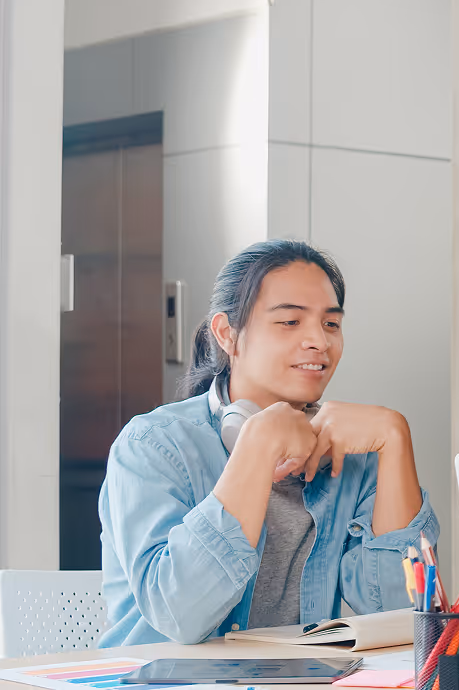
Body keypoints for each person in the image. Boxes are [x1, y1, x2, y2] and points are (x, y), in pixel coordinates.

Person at [99, 240, 439, 646]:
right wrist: (257, 446)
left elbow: (408, 620)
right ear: (227, 334)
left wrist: (395, 439)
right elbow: (179, 615)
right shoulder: (152, 446)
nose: (319, 341)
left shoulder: (355, 455)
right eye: (290, 322)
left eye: (331, 323)